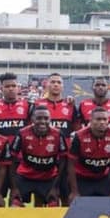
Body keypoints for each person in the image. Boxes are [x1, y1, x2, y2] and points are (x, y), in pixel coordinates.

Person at [34, 73, 77, 205]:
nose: (56, 85)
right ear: (47, 84)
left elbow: (76, 128)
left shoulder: (70, 105)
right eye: (52, 82)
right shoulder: (37, 104)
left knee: (65, 193)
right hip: (43, 155)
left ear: (63, 86)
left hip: (65, 156)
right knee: (40, 195)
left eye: (59, 82)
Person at [10, 106, 67, 207]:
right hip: (25, 177)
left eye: (46, 118)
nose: (43, 121)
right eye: (39, 118)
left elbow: (63, 160)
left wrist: (55, 187)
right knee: (15, 204)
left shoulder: (58, 134)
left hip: (48, 178)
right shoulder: (22, 133)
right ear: (32, 119)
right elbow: (12, 159)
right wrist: (14, 187)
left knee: (53, 206)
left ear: (50, 119)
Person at [0, 72, 31, 202]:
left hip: (19, 160)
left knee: (17, 199)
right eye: (7, 86)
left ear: (18, 87)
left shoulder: (27, 106)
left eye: (14, 85)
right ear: (1, 88)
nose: (11, 88)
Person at [68, 107, 110, 199]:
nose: (102, 122)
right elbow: (71, 164)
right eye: (98, 119)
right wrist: (74, 191)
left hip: (103, 178)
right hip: (82, 178)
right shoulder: (79, 136)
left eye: (105, 119)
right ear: (91, 120)